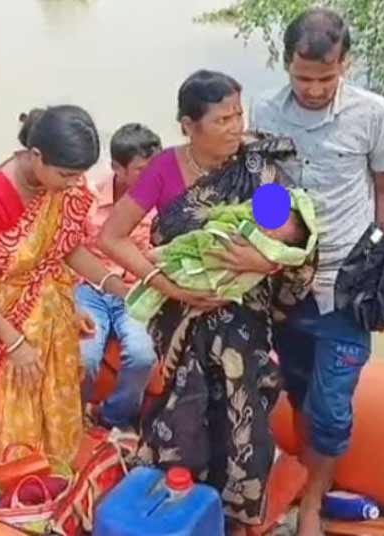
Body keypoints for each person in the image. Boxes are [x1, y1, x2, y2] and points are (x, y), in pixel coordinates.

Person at [100, 70, 293, 533]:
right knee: (184, 409)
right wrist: (165, 284)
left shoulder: (254, 167)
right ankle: (181, 504)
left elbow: (285, 233)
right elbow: (113, 236)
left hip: (241, 314)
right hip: (180, 315)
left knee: (242, 407)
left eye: (238, 115)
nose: (234, 127)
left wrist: (257, 258)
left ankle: (236, 515)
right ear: (188, 124)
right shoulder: (165, 168)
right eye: (222, 119)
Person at [248, 8, 384, 535]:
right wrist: (276, 239)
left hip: (348, 287)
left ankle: (312, 503)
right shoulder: (265, 110)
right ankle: (305, 476)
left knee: (333, 405)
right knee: (296, 390)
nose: (313, 89)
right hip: (286, 284)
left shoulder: (373, 113)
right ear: (287, 64)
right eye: (302, 77)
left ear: (346, 64)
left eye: (326, 78)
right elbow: (265, 189)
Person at [0, 105, 129, 465]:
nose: (71, 184)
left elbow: (65, 248)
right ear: (36, 156)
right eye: (65, 174)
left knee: (58, 402)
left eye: (78, 175)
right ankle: (15, 488)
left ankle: (55, 475)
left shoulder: (64, 185)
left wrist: (114, 284)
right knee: (14, 416)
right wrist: (14, 341)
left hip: (49, 309)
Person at [126, 190, 316, 325]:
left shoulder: (272, 247)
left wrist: (266, 264)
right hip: (190, 283)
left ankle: (164, 260)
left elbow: (288, 257)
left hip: (227, 298)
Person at [78, 123, 161, 430]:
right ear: (117, 168)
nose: (151, 176)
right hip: (91, 289)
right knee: (84, 358)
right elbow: (70, 251)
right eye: (142, 169)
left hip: (135, 290)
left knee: (142, 356)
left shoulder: (163, 202)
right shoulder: (87, 198)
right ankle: (75, 415)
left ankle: (113, 417)